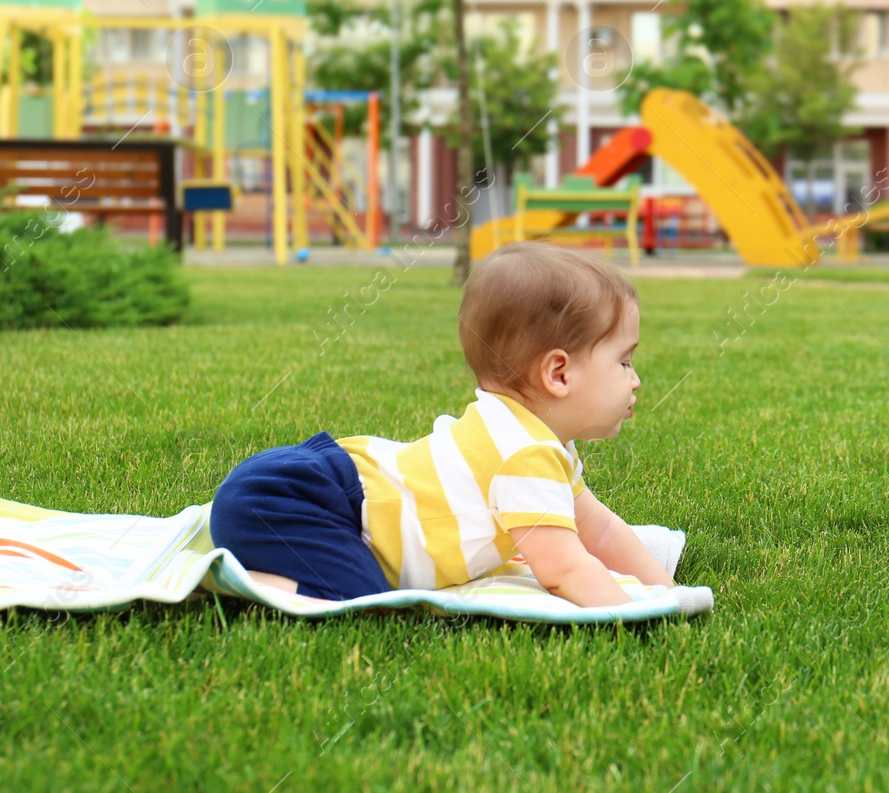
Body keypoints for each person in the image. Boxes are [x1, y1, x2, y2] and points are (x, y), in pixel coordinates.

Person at [210, 242, 674, 606]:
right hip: (294, 501)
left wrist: (666, 588)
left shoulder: (537, 442)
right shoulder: (523, 453)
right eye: (624, 362)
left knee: (367, 590)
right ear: (559, 374)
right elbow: (565, 568)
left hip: (318, 486)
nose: (635, 380)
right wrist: (634, 613)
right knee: (365, 602)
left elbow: (601, 532)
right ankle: (248, 583)